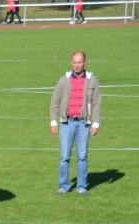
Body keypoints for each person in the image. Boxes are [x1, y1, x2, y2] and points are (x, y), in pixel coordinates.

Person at [50, 51, 101, 195]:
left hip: (84, 124)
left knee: (82, 157)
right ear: (71, 63)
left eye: (80, 62)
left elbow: (96, 103)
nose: (77, 65)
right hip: (66, 123)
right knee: (64, 157)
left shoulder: (92, 80)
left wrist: (95, 123)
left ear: (84, 63)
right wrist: (53, 121)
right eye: (75, 62)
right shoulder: (63, 80)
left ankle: (81, 187)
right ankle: (63, 186)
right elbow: (54, 101)